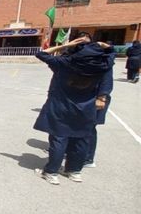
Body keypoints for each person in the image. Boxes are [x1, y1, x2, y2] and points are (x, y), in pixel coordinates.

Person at [33, 37, 113, 185]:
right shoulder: (102, 66)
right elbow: (111, 54)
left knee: (59, 138)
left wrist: (67, 45)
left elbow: (42, 54)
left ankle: (51, 172)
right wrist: (102, 46)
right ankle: (74, 171)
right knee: (80, 139)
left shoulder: (65, 63)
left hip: (61, 106)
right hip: (86, 107)